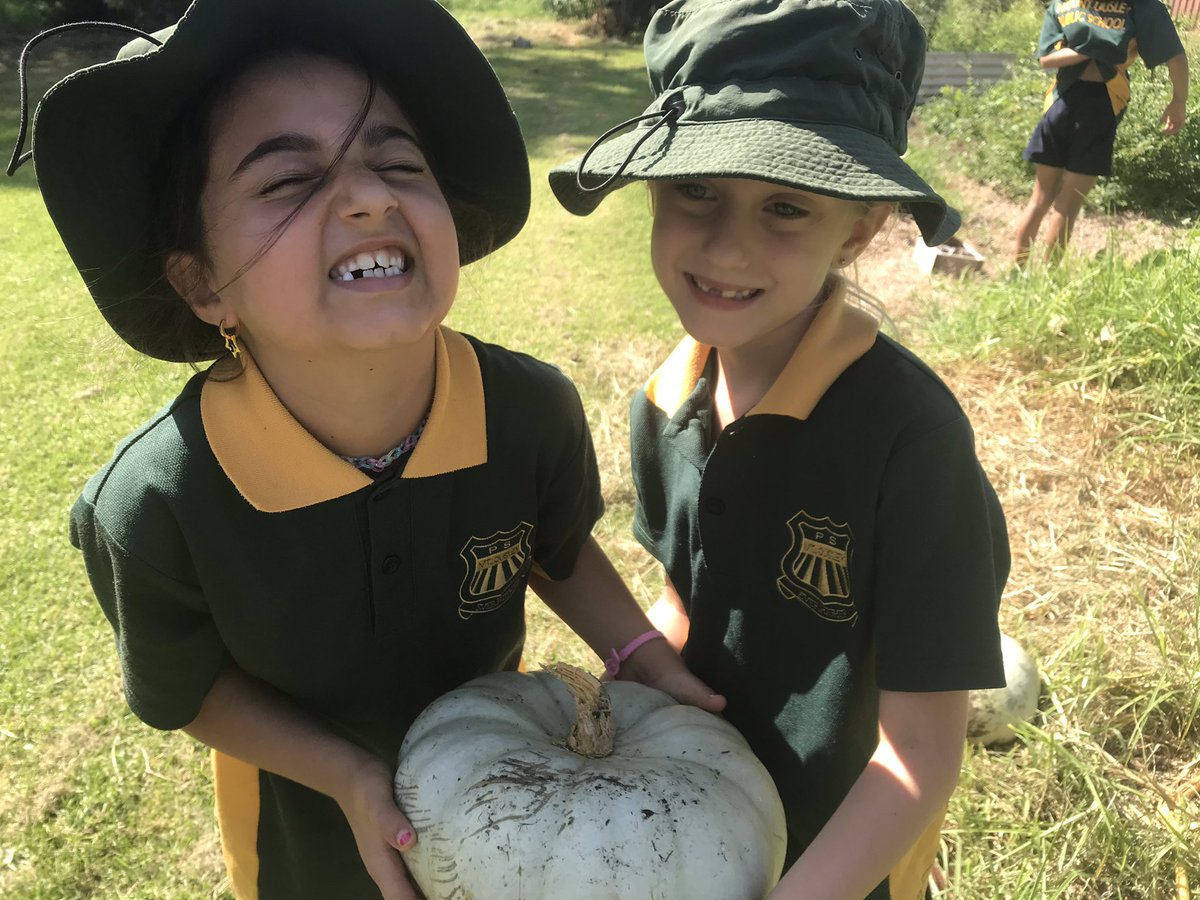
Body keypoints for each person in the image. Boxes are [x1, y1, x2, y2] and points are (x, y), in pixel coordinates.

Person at [8, 1, 723, 897]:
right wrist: (346, 774)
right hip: (301, 846)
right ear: (200, 285)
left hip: (511, 808)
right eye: (288, 181)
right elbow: (190, 693)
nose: (370, 195)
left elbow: (558, 553)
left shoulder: (531, 410)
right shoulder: (153, 504)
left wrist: (643, 660)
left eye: (398, 161)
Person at [549, 1, 1010, 897]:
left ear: (862, 226)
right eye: (697, 191)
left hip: (834, 860)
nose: (727, 244)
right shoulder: (664, 401)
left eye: (786, 207)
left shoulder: (912, 445)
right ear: (652, 187)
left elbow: (921, 753)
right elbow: (688, 593)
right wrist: (631, 697)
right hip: (683, 836)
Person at [1013, 0, 1189, 263]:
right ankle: (1047, 283)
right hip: (1101, 106)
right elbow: (1176, 57)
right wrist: (1178, 101)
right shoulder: (1142, 7)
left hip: (1059, 104)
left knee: (1040, 198)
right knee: (1068, 204)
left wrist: (1088, 48)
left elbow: (1046, 58)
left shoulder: (1063, 5)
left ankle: (1017, 273)